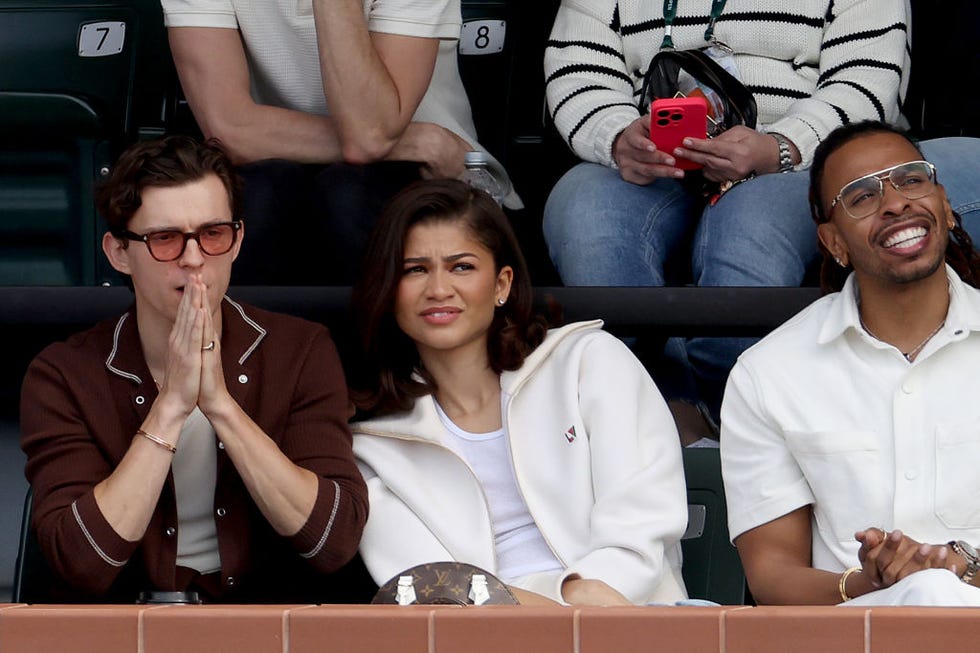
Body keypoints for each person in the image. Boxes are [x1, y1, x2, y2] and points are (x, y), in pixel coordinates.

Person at [542, 0, 980, 437]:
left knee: (747, 240)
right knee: (588, 216)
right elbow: (578, 70)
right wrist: (617, 136)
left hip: (798, 157)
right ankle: (644, 416)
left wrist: (782, 146)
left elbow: (867, 81)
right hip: (649, 157)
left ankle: (738, 421)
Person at [19, 135, 368, 603]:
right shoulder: (63, 374)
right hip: (121, 631)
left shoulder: (300, 350)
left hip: (264, 629)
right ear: (119, 253)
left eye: (213, 233)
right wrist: (171, 408)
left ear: (238, 240)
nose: (194, 258)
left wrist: (221, 406)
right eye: (164, 238)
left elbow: (333, 541)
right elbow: (81, 561)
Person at [348, 179, 688, 605]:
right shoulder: (373, 445)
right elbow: (432, 592)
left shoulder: (587, 362)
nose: (438, 289)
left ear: (502, 284)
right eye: (415, 269)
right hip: (485, 642)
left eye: (462, 267)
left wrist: (582, 602)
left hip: (632, 617)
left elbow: (640, 533)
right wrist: (553, 618)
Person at [719, 121, 980, 606]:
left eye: (911, 180)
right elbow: (773, 576)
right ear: (833, 242)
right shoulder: (769, 372)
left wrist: (965, 567)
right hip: (855, 629)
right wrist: (870, 584)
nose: (896, 202)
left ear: (945, 206)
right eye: (861, 197)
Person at [160, 0, 519, 284]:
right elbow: (229, 128)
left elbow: (371, 132)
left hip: (429, 175)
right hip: (273, 168)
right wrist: (417, 140)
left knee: (347, 196)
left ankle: (387, 374)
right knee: (258, 200)